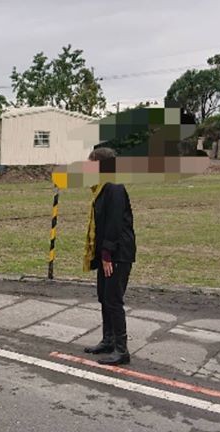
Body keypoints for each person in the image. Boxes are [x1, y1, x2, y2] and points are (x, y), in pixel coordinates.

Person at [81, 147, 137, 365]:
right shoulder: (101, 188)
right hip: (109, 252)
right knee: (104, 296)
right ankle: (108, 340)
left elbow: (113, 225)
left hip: (117, 253)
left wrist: (106, 255)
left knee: (113, 300)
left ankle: (122, 350)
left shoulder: (113, 187)